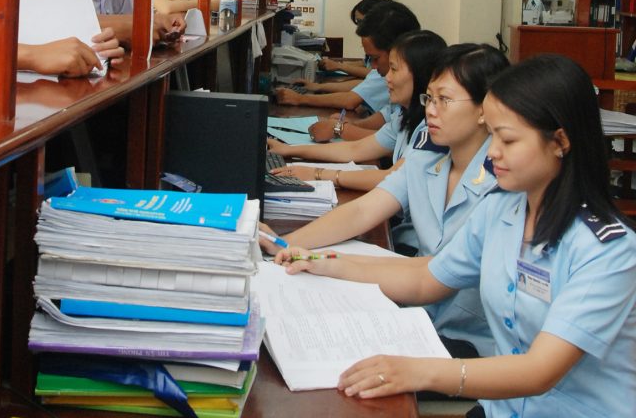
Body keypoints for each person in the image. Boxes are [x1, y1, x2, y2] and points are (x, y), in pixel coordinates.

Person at [286, 55, 636, 418]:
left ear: (559, 141)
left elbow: (540, 371)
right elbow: (427, 279)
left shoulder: (608, 250)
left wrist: (418, 371)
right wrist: (324, 262)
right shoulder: (502, 209)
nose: (493, 152)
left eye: (508, 139)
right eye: (493, 136)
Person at [266, 43, 511, 357]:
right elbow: (363, 210)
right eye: (429, 98)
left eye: (445, 100)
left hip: (470, 338)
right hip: (417, 312)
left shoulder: (504, 179)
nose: (431, 110)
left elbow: (433, 274)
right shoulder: (426, 155)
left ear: (485, 109)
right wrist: (286, 243)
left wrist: (324, 262)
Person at [267, 29, 447, 193]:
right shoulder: (404, 116)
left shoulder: (431, 128)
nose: (387, 77)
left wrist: (317, 174)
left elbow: (393, 178)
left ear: (420, 74)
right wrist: (289, 150)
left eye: (394, 69)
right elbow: (356, 148)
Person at [276, 0, 420, 133]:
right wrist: (347, 125)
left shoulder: (418, 109)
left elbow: (352, 100)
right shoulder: (399, 99)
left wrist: (338, 128)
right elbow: (367, 91)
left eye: (375, 58)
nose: (373, 67)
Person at [316, 0, 383, 80]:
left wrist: (339, 66)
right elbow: (366, 63)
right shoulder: (372, 40)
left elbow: (376, 74)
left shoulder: (385, 42)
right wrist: (338, 64)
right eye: (358, 22)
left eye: (361, 22)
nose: (359, 27)